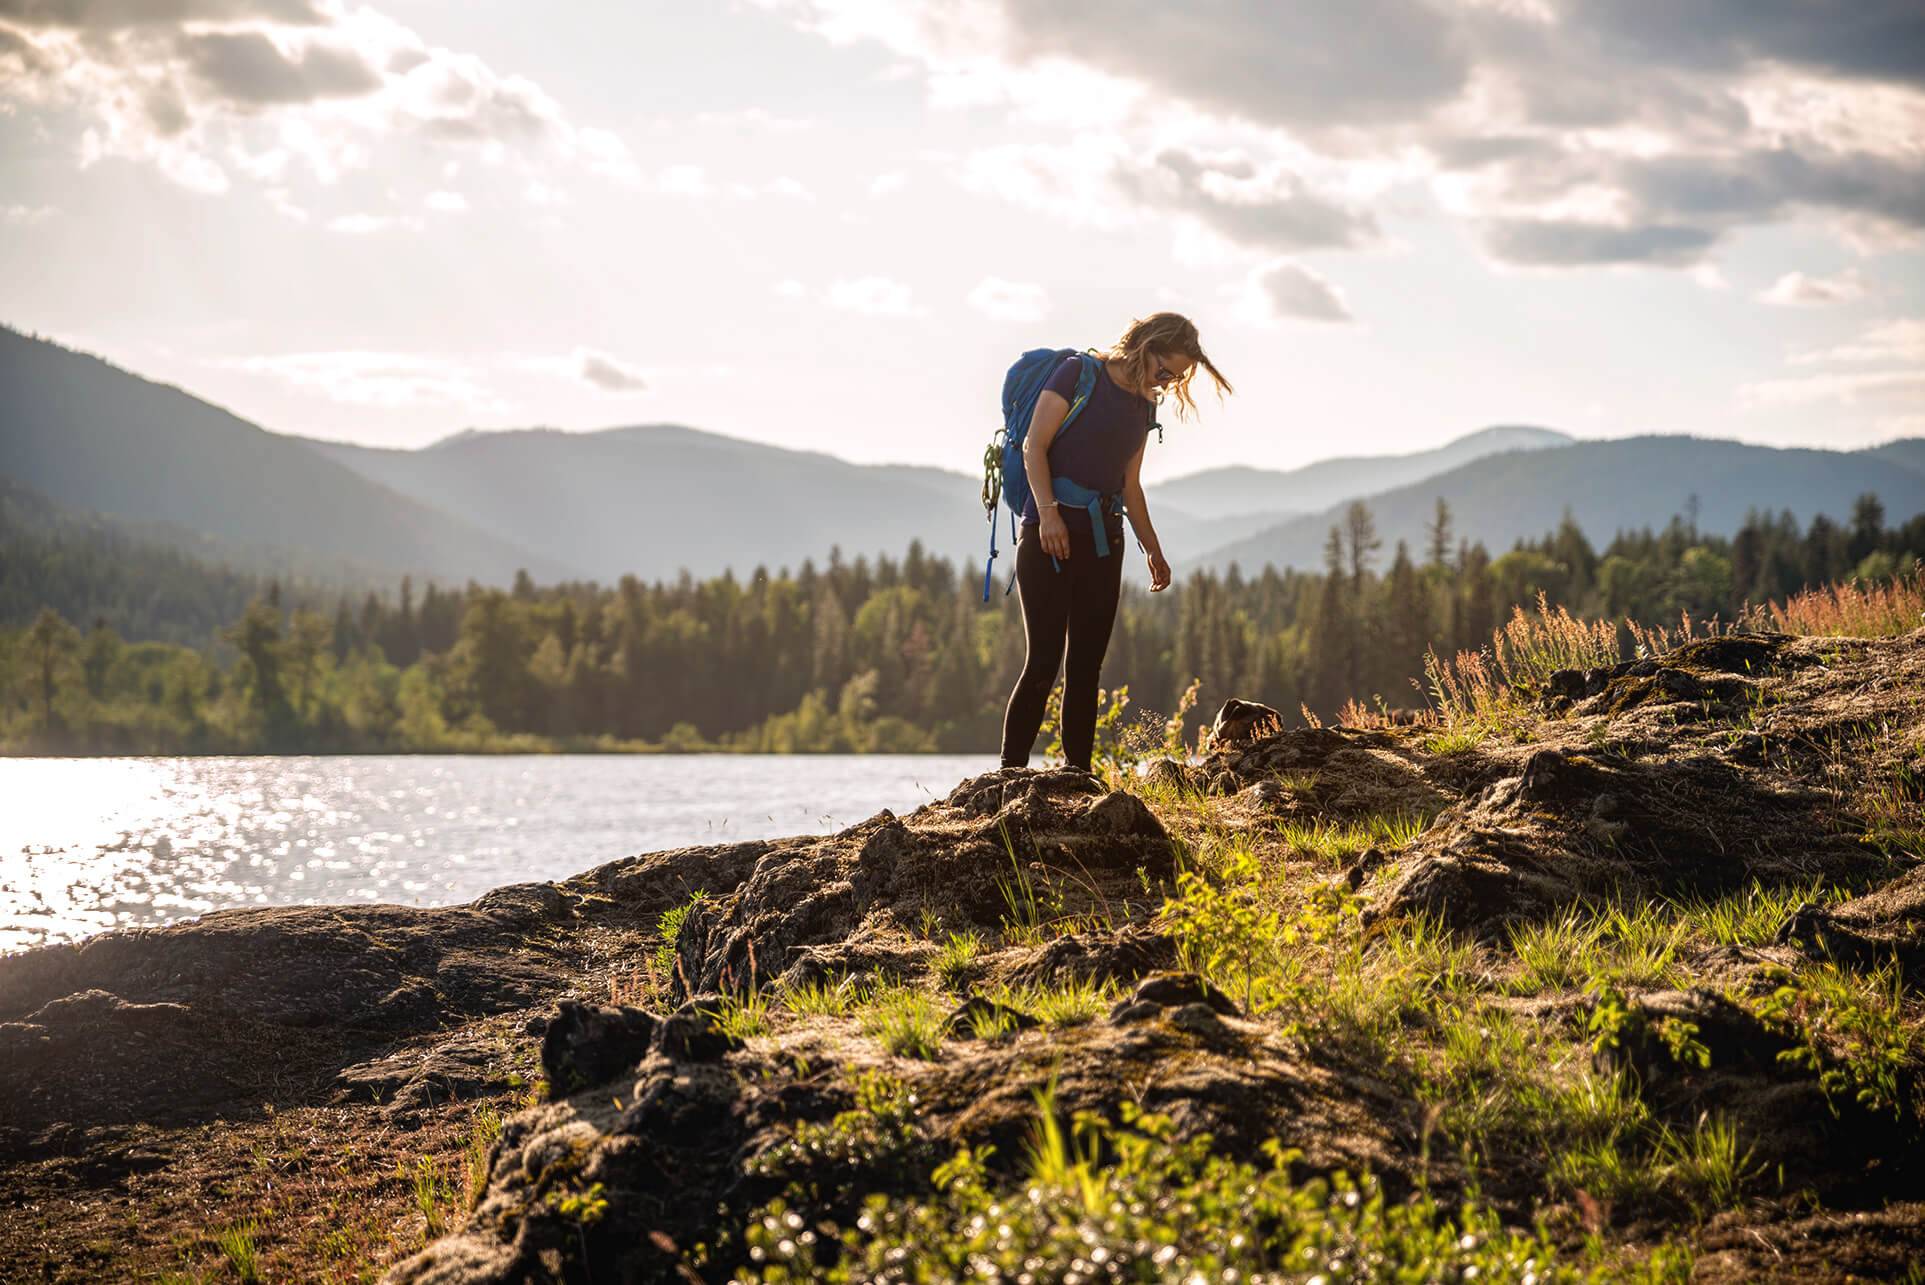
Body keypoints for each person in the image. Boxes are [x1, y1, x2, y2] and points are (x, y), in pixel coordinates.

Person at [999, 312, 1234, 772]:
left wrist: (1153, 550)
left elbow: (1131, 486)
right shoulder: (1077, 374)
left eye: (1177, 376)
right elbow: (1034, 447)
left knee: (1086, 666)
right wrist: (1048, 516)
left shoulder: (1145, 404)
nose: (1168, 381)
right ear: (1146, 346)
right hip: (1047, 531)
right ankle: (1009, 774)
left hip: (1105, 538)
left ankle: (1078, 774)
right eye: (1166, 369)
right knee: (1044, 660)